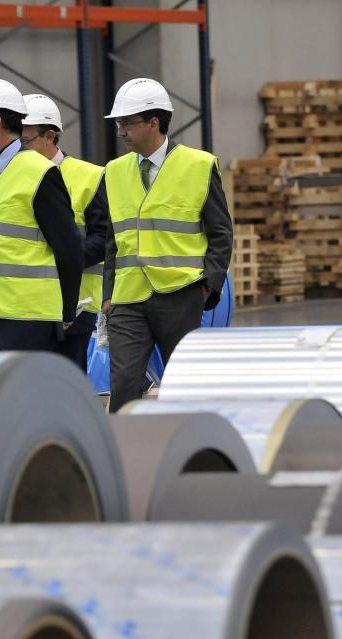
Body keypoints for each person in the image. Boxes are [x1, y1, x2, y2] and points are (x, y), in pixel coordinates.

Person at [103, 78, 233, 411]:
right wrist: (108, 296)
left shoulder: (199, 166)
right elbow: (112, 240)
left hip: (180, 294)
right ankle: (125, 453)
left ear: (154, 122)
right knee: (123, 385)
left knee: (182, 383)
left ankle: (184, 446)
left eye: (127, 124)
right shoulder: (114, 171)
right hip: (127, 299)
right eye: (119, 124)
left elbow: (221, 232)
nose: (120, 132)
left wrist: (208, 286)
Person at [0, 78, 83, 352]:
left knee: (20, 395)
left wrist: (67, 310)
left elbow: (69, 247)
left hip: (24, 320)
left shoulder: (40, 173)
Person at [20, 93, 111, 371]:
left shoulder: (89, 177)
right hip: (26, 301)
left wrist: (60, 258)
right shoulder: (12, 176)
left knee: (68, 379)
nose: (20, 149)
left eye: (25, 141)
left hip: (75, 304)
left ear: (50, 136)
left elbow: (103, 239)